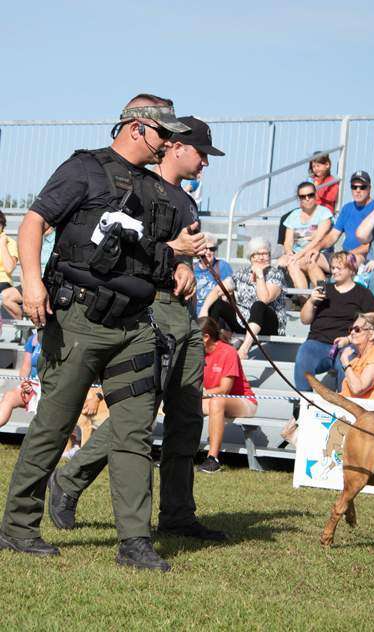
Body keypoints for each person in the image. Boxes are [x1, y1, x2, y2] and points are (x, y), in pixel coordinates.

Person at [0, 94, 196, 571]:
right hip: (79, 322)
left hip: (134, 327)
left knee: (133, 433)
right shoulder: (82, 170)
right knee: (54, 425)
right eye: (162, 132)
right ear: (135, 127)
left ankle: (135, 542)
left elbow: (152, 251)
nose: (168, 142)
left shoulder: (158, 191)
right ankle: (18, 527)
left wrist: (179, 260)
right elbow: (33, 223)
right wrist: (29, 280)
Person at [47, 116, 227, 547]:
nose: (205, 162)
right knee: (137, 417)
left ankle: (179, 515)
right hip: (150, 311)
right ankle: (70, 478)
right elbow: (122, 250)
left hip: (184, 314)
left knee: (186, 418)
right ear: (177, 148)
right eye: (201, 153)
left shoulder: (186, 201)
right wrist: (173, 257)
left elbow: (175, 255)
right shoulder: (140, 190)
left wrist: (187, 263)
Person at [294, 251, 374, 391]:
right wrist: (311, 301)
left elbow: (373, 319)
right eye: (333, 268)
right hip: (318, 342)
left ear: (351, 269)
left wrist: (349, 339)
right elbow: (304, 320)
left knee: (348, 361)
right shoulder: (323, 290)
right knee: (304, 353)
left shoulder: (363, 293)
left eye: (339, 268)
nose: (334, 271)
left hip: (347, 344)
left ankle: (343, 405)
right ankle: (302, 406)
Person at [209, 237, 286, 359]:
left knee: (258, 305)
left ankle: (244, 349)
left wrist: (260, 276)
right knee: (217, 303)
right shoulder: (241, 273)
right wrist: (203, 310)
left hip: (269, 324)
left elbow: (264, 299)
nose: (261, 257)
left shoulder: (275, 274)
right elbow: (218, 290)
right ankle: (210, 345)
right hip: (243, 322)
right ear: (251, 257)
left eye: (265, 253)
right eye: (257, 254)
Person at [199, 317, 258, 474]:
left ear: (206, 337)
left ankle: (213, 459)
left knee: (217, 402)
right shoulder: (197, 354)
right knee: (184, 403)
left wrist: (201, 393)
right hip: (211, 399)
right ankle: (175, 455)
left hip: (244, 401)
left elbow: (225, 389)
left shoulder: (228, 352)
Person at [277, 181, 332, 289]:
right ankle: (304, 300)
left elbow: (318, 240)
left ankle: (323, 293)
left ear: (316, 195)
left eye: (310, 195)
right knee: (282, 262)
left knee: (301, 262)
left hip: (319, 252)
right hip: (297, 254)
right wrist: (289, 254)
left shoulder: (324, 213)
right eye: (303, 196)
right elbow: (287, 241)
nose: (307, 198)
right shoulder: (293, 215)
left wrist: (298, 255)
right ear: (299, 198)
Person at [318, 170, 374, 261]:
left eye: (362, 187)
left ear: (369, 188)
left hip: (363, 258)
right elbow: (333, 236)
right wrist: (316, 248)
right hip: (344, 256)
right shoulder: (347, 208)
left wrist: (349, 254)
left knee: (346, 263)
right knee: (309, 260)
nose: (357, 191)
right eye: (354, 187)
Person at [1, 227, 55, 320]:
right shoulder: (35, 238)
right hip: (32, 281)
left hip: (48, 282)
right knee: (7, 296)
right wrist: (26, 289)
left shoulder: (56, 238)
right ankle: (22, 326)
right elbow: (24, 267)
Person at [339, 312, 374, 400]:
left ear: (371, 335)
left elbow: (358, 389)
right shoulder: (356, 359)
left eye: (357, 329)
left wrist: (345, 363)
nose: (352, 332)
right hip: (355, 409)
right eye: (351, 329)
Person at [0, 331, 41, 429]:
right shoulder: (33, 339)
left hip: (49, 385)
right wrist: (24, 382)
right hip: (32, 384)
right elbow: (25, 367)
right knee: (9, 396)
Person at [194, 233, 233, 317]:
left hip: (214, 314)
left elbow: (229, 291)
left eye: (212, 249)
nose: (208, 252)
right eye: (205, 248)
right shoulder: (192, 268)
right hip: (194, 314)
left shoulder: (223, 266)